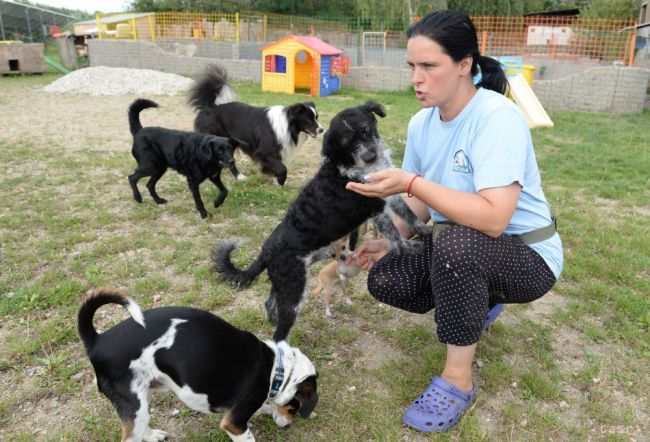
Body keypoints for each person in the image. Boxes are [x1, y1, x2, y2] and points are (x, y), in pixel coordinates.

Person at [345, 10, 563, 433]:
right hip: (468, 246)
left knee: (458, 244)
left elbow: (495, 218)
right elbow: (420, 206)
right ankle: (478, 299)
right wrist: (389, 238)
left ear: (465, 65)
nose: (416, 78)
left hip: (528, 255)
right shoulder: (421, 123)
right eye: (412, 66)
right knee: (387, 279)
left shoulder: (497, 117)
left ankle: (457, 379)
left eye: (429, 66)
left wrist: (412, 180)